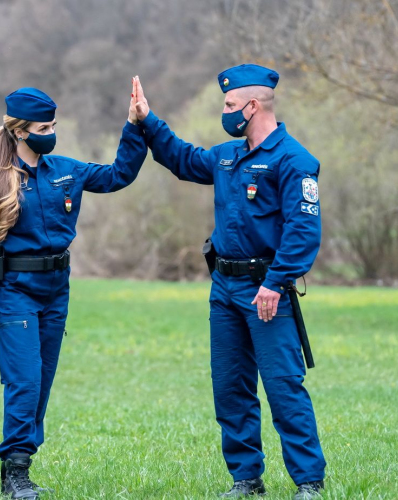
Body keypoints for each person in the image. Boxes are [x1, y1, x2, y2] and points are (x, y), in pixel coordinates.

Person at [130, 66, 326, 499]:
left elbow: (303, 231)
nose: (225, 111)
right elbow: (181, 158)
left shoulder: (293, 160)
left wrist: (275, 283)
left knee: (282, 388)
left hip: (266, 291)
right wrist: (147, 119)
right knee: (231, 390)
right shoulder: (227, 157)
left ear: (252, 106)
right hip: (224, 290)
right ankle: (247, 479)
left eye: (230, 105)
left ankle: (309, 481)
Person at [0, 82, 147, 499]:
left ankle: (22, 463)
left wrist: (134, 126)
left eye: (54, 124)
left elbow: (118, 175)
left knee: (41, 382)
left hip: (55, 291)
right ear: (20, 131)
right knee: (24, 380)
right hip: (14, 290)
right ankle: (15, 472)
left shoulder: (67, 170)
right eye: (44, 126)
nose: (52, 131)